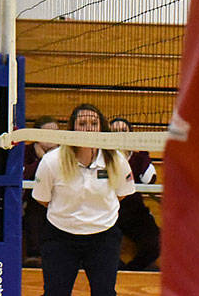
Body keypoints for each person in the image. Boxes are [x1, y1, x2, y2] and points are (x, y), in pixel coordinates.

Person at [32, 104, 134, 296]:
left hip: (103, 236)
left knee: (104, 292)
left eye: (94, 123)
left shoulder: (116, 159)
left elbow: (122, 193)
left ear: (101, 128)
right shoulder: (52, 161)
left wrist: (96, 214)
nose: (88, 128)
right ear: (72, 129)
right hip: (61, 237)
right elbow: (42, 199)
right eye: (82, 123)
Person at [109, 117, 160, 271]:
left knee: (157, 241)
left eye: (123, 131)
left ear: (130, 134)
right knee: (104, 244)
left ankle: (132, 269)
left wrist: (143, 154)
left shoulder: (137, 158)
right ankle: (116, 270)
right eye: (115, 132)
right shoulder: (103, 157)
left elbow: (149, 180)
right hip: (108, 210)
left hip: (134, 212)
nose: (119, 135)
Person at [22, 115, 60, 265]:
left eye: (55, 133)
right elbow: (25, 174)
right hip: (31, 200)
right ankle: (34, 255)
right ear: (37, 136)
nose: (52, 138)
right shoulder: (26, 151)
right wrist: (41, 160)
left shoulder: (66, 152)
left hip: (60, 197)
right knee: (35, 209)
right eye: (46, 134)